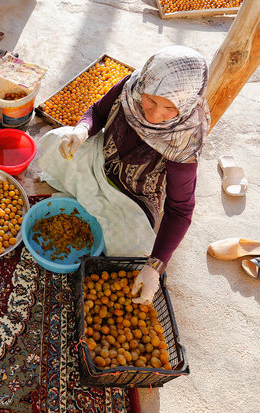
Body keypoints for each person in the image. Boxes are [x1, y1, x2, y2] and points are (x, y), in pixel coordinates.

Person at [42, 45, 210, 305]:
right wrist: (82, 130)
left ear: (186, 104)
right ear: (144, 84)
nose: (153, 114)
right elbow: (97, 112)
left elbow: (180, 209)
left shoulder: (185, 138)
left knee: (134, 251)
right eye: (151, 100)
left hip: (134, 195)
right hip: (102, 158)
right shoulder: (131, 87)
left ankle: (85, 197)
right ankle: (89, 197)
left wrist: (155, 266)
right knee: (56, 140)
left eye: (169, 108)